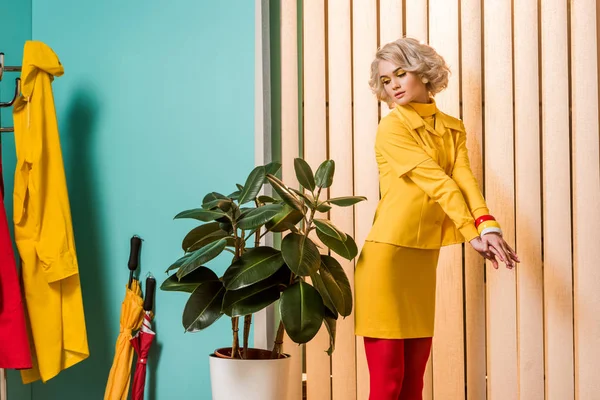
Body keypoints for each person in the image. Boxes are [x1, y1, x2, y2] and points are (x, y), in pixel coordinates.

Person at [354, 37, 520, 400]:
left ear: (424, 74)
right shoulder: (393, 128)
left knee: (414, 381)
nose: (394, 85)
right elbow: (437, 182)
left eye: (401, 73)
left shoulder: (452, 127)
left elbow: (464, 180)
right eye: (385, 80)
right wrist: (468, 231)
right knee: (388, 382)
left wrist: (487, 225)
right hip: (387, 258)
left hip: (422, 255)